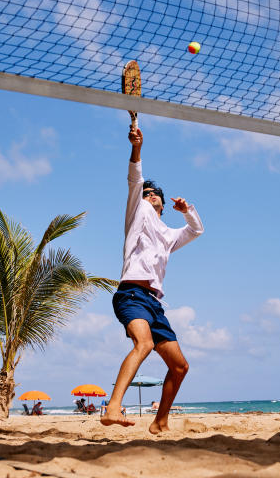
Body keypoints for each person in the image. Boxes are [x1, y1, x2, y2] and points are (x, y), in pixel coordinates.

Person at [101, 125, 204, 434]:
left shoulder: (168, 235)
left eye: (153, 194)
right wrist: (137, 148)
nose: (149, 196)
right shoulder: (137, 213)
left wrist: (188, 211)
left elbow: (196, 230)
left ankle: (160, 422)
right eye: (146, 193)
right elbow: (135, 178)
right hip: (131, 294)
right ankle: (112, 408)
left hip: (155, 304)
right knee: (143, 344)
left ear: (161, 202)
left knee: (180, 366)